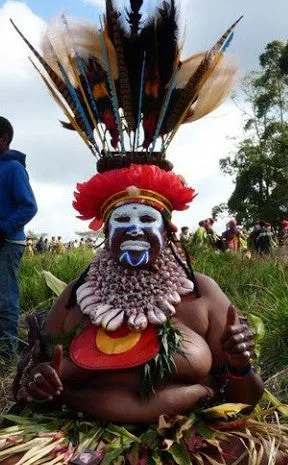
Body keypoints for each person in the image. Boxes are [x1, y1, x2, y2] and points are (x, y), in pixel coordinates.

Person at [6, 5, 288, 465]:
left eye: (146, 220)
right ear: (104, 230)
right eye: (123, 221)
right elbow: (33, 389)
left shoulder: (200, 295)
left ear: (167, 229)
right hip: (79, 441)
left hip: (191, 441)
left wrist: (238, 364)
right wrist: (40, 385)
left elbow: (246, 399)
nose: (134, 229)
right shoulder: (79, 297)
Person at [0, 116, 37, 360]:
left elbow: (29, 206)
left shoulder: (13, 168)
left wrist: (4, 228)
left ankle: (6, 353)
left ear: (3, 140)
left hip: (8, 242)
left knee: (4, 298)